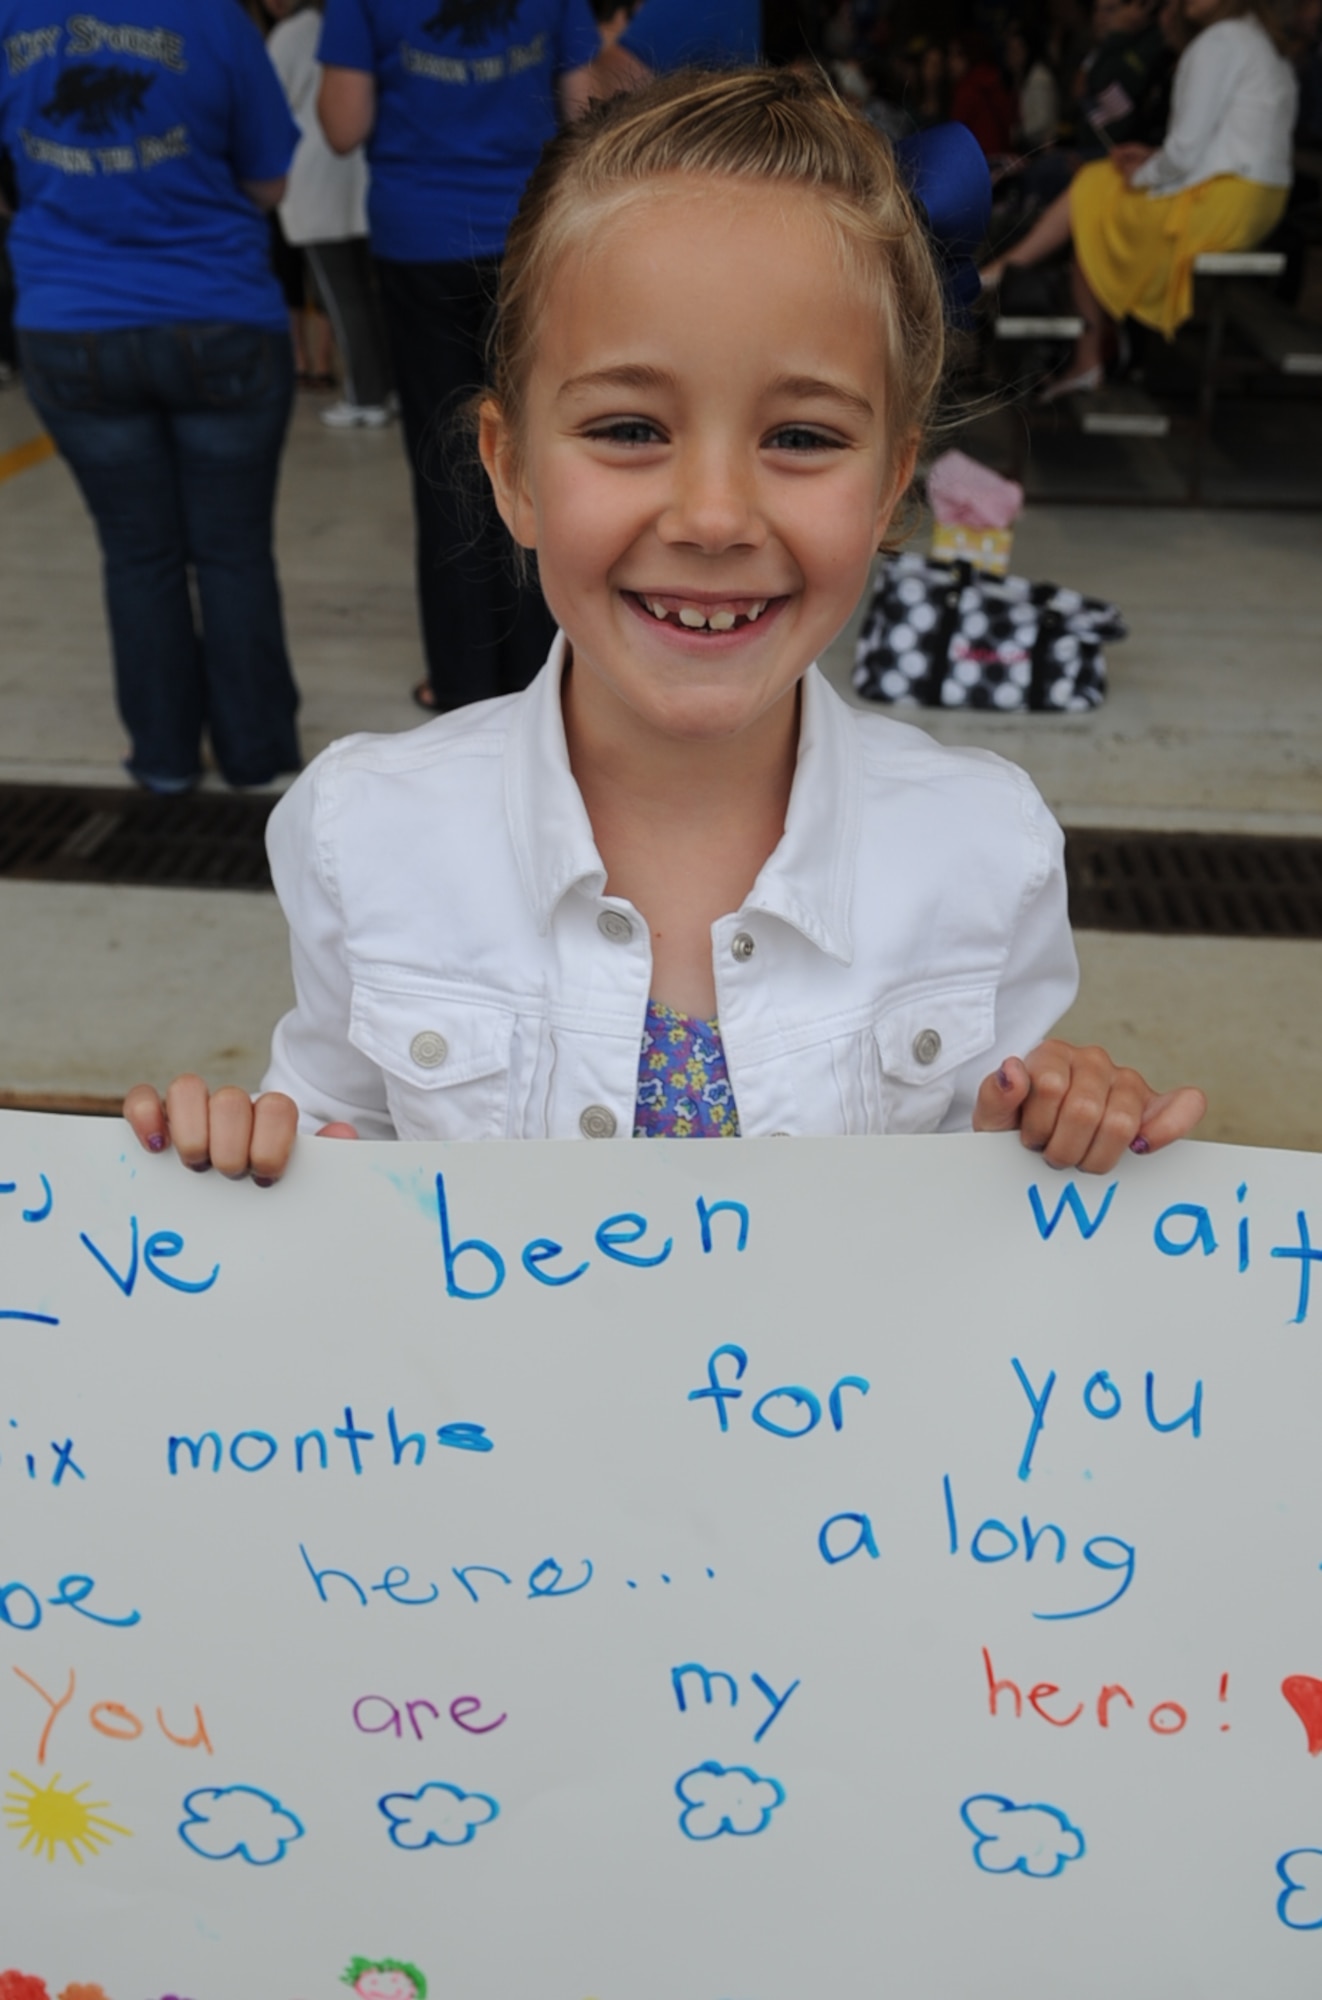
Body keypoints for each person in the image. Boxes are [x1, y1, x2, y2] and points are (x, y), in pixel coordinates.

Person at [121, 67, 1205, 1176]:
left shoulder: (985, 849)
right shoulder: (363, 832)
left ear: (889, 487)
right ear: (512, 470)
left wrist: (1059, 1123)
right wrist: (251, 1156)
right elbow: (336, 1138)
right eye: (630, 427)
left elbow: (993, 1193)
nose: (714, 516)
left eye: (802, 438)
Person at [1, 0, 305, 792]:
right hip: (218, 317)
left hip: (69, 325)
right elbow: (270, 182)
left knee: (138, 555)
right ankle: (255, 753)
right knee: (233, 553)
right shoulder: (218, 22)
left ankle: (164, 761)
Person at [315, 0, 601, 715]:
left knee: (448, 461)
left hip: (420, 237)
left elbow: (341, 126)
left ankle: (464, 681)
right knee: (539, 451)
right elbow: (586, 107)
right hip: (530, 238)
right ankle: (547, 676)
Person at [979, 0, 1298, 397]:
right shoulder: (1252, 36)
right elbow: (1221, 143)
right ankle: (1057, 325)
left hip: (1224, 201)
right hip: (1254, 201)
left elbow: (1185, 153)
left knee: (1094, 189)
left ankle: (1014, 282)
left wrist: (1144, 173)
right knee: (1096, 195)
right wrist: (1150, 160)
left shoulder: (1219, 42)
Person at [266, 0, 392, 427]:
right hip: (358, 174)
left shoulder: (291, 34)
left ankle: (363, 398)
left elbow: (268, 105)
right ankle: (384, 390)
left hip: (315, 180)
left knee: (342, 300)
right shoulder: (356, 21)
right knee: (368, 297)